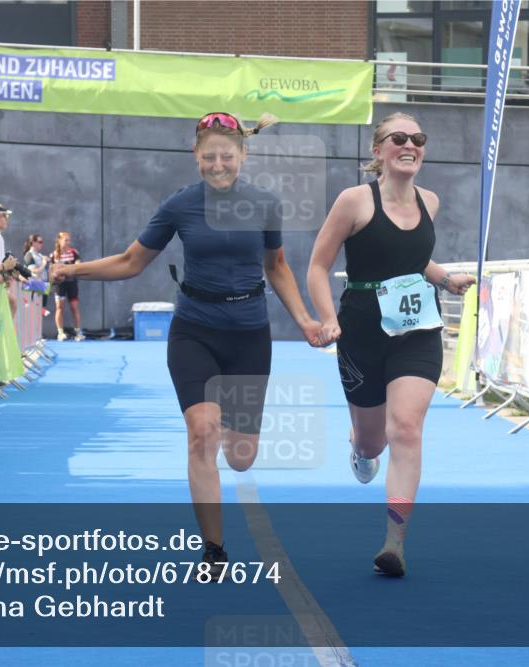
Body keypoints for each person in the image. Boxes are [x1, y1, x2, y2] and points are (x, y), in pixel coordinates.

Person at [50, 111, 323, 572]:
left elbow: (276, 265)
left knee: (240, 457)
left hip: (249, 336)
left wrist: (306, 320)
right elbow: (132, 262)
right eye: (209, 157)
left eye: (227, 156)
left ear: (244, 155)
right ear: (195, 156)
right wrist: (74, 270)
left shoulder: (264, 204)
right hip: (194, 331)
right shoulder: (179, 206)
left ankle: (235, 465)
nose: (219, 165)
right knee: (201, 434)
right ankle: (213, 549)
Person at [307, 112, 475, 577]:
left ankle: (394, 542)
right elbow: (318, 266)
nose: (410, 145)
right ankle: (360, 448)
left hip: (417, 331)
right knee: (374, 442)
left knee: (406, 428)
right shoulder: (354, 201)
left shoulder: (431, 202)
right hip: (360, 330)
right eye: (399, 138)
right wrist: (326, 318)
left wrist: (445, 277)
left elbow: (414, 260)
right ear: (378, 150)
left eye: (418, 138)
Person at [50, 231, 83, 341]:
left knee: (74, 307)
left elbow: (78, 265)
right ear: (59, 241)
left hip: (72, 283)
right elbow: (51, 271)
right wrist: (57, 276)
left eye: (69, 240)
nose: (68, 242)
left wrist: (71, 268)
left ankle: (78, 332)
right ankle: (60, 332)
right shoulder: (54, 255)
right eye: (66, 240)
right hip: (60, 285)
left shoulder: (74, 252)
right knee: (59, 307)